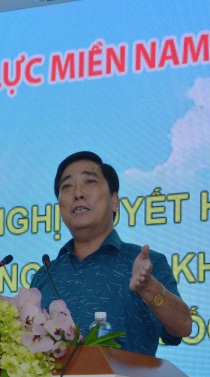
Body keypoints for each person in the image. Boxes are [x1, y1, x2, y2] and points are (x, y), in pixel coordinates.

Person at [31, 151, 192, 356]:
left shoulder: (145, 264)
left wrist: (148, 287)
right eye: (67, 186)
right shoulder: (46, 275)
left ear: (114, 200)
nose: (78, 193)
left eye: (90, 181)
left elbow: (183, 326)